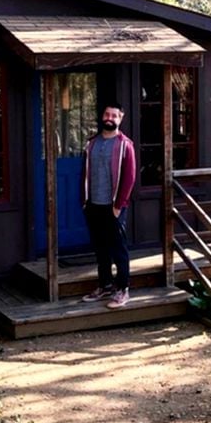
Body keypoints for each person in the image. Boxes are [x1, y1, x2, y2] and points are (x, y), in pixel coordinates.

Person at [81, 103, 136, 308]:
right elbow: (84, 174)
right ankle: (105, 285)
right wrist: (84, 201)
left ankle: (123, 290)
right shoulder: (92, 144)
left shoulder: (125, 145)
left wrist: (118, 206)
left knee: (118, 248)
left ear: (120, 119)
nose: (110, 118)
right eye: (107, 114)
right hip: (93, 204)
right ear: (102, 116)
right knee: (100, 248)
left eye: (114, 115)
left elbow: (129, 178)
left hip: (113, 206)